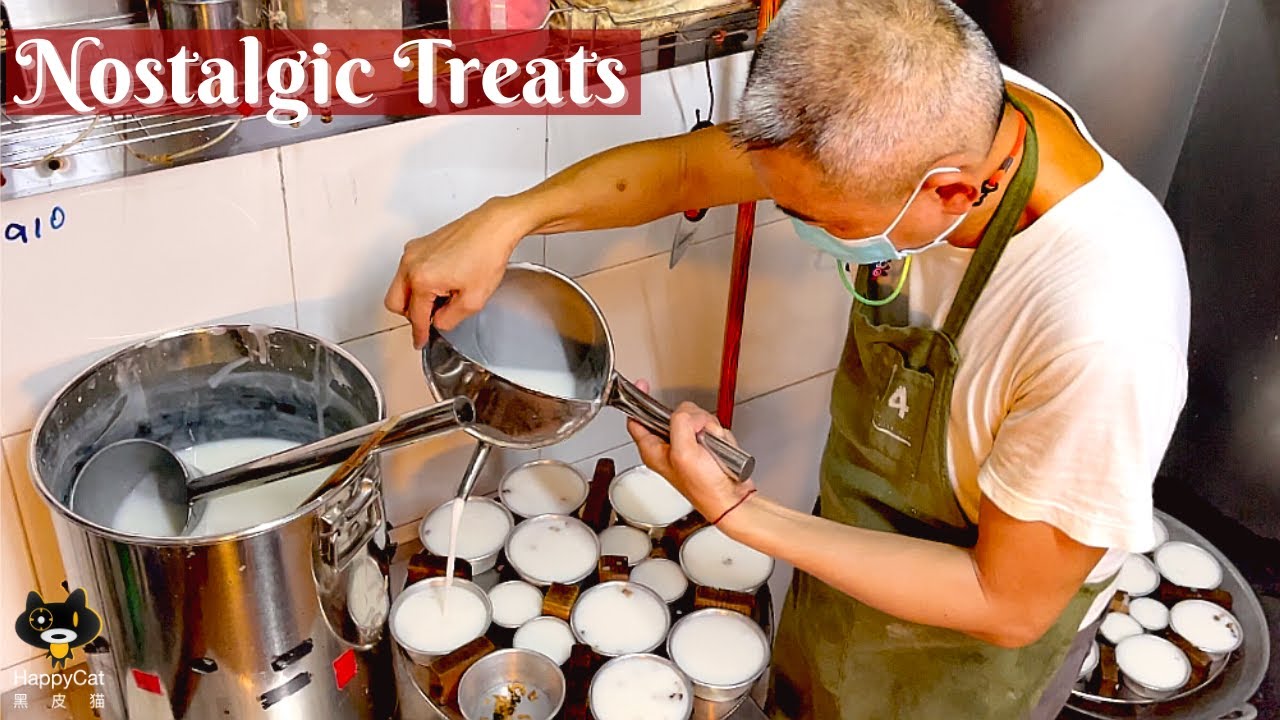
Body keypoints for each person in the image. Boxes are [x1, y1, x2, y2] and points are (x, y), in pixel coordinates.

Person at [384, 0, 1190, 716]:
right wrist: (509, 217)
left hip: (965, 667)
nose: (802, 229)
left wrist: (741, 514)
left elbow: (1006, 600)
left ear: (947, 191)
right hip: (846, 574)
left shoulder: (1103, 331)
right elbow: (691, 168)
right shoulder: (917, 102)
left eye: (822, 218)